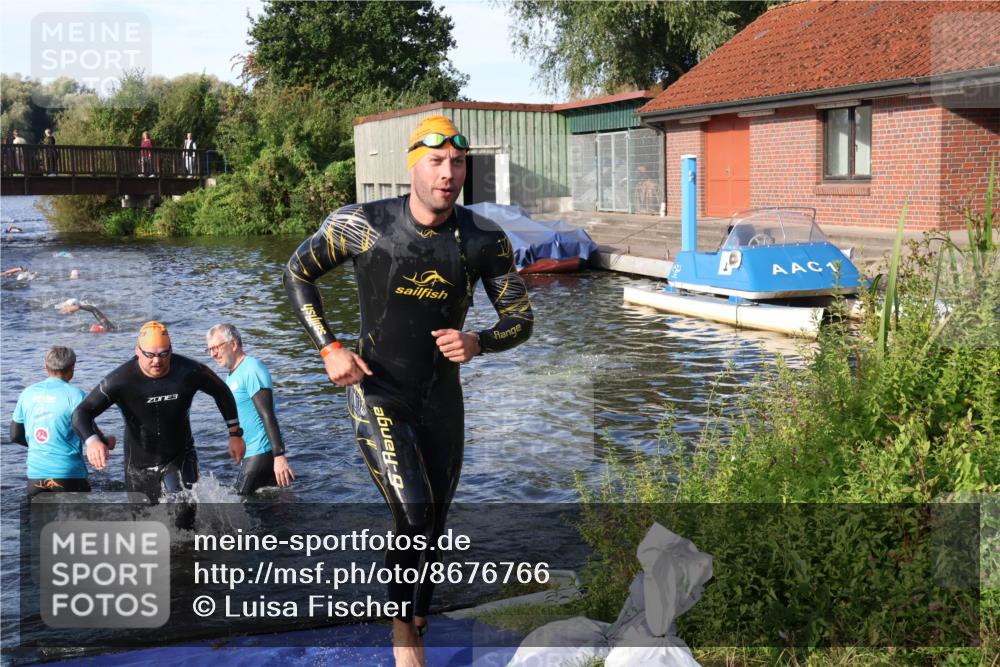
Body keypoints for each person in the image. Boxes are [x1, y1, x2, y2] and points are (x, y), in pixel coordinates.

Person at [283, 115, 533, 666]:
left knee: (435, 524)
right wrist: (329, 347)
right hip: (379, 392)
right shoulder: (363, 224)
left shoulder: (484, 239)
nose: (448, 174)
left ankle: (417, 615)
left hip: (442, 398)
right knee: (414, 513)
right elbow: (297, 272)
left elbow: (520, 318)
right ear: (413, 165)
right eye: (436, 162)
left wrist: (480, 342)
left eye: (458, 163)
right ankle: (404, 642)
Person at [72, 321, 245, 511]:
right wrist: (92, 440)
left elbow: (222, 391)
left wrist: (235, 434)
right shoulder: (121, 379)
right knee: (145, 526)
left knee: (183, 510)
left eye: (164, 354)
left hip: (180, 455)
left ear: (171, 350)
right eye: (150, 355)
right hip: (138, 465)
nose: (157, 361)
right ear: (137, 351)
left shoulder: (188, 371)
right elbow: (82, 412)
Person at [9, 346, 116, 497]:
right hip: (69, 476)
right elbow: (91, 435)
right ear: (72, 367)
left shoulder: (27, 393)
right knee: (82, 520)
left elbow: (15, 435)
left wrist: (42, 446)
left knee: (38, 521)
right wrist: (109, 442)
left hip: (35, 477)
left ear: (45, 366)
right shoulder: (77, 396)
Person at [205, 323, 294, 495]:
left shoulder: (252, 368)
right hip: (252, 452)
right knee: (270, 509)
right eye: (209, 349)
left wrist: (279, 456)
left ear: (233, 344)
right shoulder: (233, 374)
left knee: (240, 504)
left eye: (216, 347)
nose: (213, 354)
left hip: (262, 452)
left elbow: (267, 414)